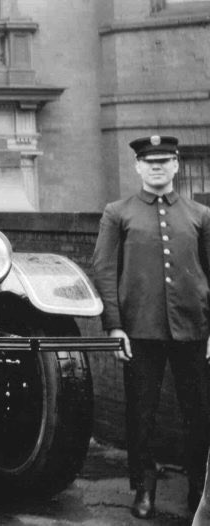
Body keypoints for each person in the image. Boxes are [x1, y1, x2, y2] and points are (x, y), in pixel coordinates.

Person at [92, 135, 210, 519]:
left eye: (165, 161)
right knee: (141, 414)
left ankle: (199, 491)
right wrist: (114, 325)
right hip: (140, 330)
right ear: (138, 167)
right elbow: (105, 270)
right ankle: (143, 488)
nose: (157, 167)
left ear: (177, 165)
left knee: (200, 414)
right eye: (150, 161)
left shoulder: (199, 215)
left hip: (194, 331)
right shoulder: (117, 212)